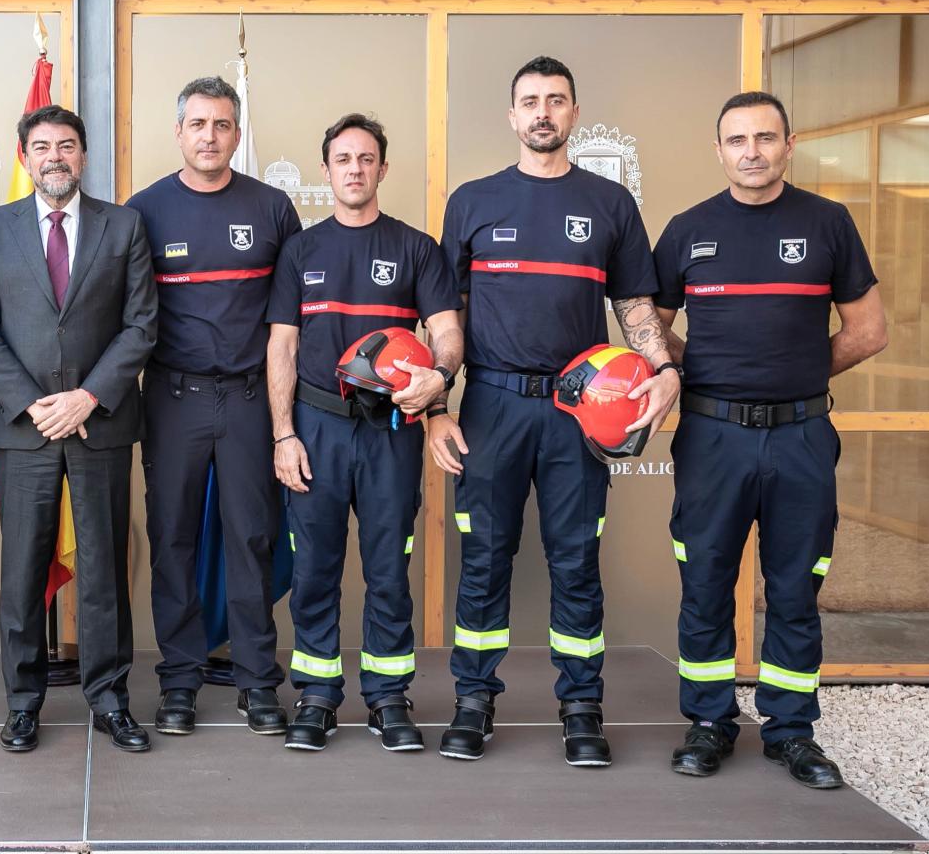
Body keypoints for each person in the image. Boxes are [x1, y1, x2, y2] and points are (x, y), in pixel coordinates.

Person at [433, 57, 680, 767]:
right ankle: (473, 702)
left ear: (574, 114)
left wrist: (662, 367)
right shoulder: (472, 202)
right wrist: (436, 412)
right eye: (530, 101)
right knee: (483, 560)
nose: (543, 112)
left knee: (575, 562)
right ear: (512, 116)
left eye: (556, 101)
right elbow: (444, 317)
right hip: (491, 408)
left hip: (581, 415)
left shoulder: (611, 204)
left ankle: (581, 707)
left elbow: (634, 305)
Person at [655, 91, 885, 789]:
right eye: (736, 140)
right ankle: (709, 720)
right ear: (718, 149)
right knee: (705, 585)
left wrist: (800, 373)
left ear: (790, 143)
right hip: (712, 438)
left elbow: (869, 330)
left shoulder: (828, 223)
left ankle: (791, 732)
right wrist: (702, 373)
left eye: (764, 137)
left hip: (802, 437)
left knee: (794, 589)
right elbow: (650, 325)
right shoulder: (687, 230)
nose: (750, 151)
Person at [0, 104, 159, 753]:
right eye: (42, 146)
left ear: (83, 155)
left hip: (98, 426)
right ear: (24, 156)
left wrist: (88, 397)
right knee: (21, 572)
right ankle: (22, 704)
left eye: (67, 145)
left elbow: (140, 325)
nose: (55, 156)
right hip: (24, 429)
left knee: (103, 569)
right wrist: (33, 402)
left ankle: (109, 700)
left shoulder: (123, 226)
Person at [265, 113, 462, 752]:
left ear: (382, 168)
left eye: (366, 158)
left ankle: (387, 696)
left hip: (391, 431)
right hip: (317, 427)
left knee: (387, 569)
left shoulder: (415, 249)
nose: (355, 169)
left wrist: (439, 377)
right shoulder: (299, 251)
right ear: (327, 171)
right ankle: (317, 697)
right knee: (315, 567)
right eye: (343, 159)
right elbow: (282, 350)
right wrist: (283, 434)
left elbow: (448, 332)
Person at [124, 76, 300, 737]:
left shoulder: (274, 208)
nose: (209, 135)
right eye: (197, 124)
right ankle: (179, 684)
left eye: (222, 124)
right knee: (172, 541)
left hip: (252, 400)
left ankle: (259, 684)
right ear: (178, 132)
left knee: (252, 540)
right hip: (172, 399)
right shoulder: (143, 211)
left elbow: (292, 321)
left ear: (236, 132)